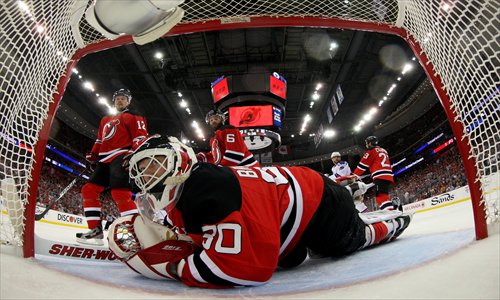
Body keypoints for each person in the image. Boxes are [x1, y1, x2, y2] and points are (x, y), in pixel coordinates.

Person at [107, 134, 412, 289]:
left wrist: (172, 267)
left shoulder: (204, 187)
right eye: (142, 170)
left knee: (340, 244)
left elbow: (244, 269)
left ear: (181, 157)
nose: (150, 174)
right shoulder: (187, 195)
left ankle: (387, 226)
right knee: (291, 257)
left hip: (321, 202)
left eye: (156, 161)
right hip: (288, 212)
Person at [76, 88, 148, 245]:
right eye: (117, 98)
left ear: (128, 101)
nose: (120, 101)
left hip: (122, 156)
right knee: (88, 189)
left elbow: (140, 137)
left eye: (123, 98)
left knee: (120, 194)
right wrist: (93, 155)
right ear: (113, 101)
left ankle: (135, 234)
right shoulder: (105, 120)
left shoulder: (133, 116)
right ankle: (95, 231)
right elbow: (100, 140)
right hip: (104, 159)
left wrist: (133, 154)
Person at [353, 136, 396, 211]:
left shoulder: (371, 151)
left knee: (380, 196)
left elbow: (361, 166)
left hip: (380, 176)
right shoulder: (383, 150)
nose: (366, 145)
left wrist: (353, 176)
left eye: (366, 143)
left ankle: (390, 212)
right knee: (384, 195)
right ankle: (391, 208)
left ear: (369, 143)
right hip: (389, 176)